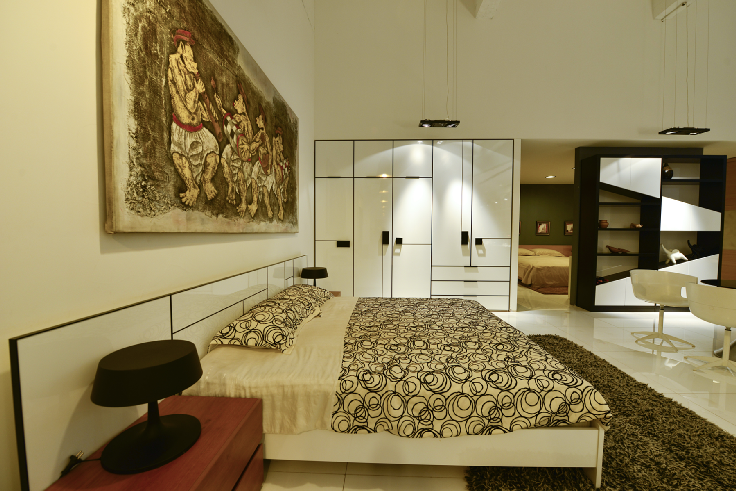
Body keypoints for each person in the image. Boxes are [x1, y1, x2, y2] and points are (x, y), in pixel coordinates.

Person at [167, 29, 220, 207]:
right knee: (179, 157)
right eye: (189, 48)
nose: (192, 53)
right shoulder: (174, 64)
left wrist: (207, 111)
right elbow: (188, 104)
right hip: (182, 128)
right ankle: (192, 187)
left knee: (213, 151)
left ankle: (206, 180)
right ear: (182, 47)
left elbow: (199, 108)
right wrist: (197, 90)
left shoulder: (189, 68)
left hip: (198, 128)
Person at [216, 84, 255, 217]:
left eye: (238, 100)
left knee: (240, 176)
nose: (235, 102)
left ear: (243, 105)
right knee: (223, 160)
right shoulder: (238, 118)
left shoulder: (246, 122)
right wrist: (220, 106)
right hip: (233, 149)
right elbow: (230, 122)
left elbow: (248, 144)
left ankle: (243, 202)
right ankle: (231, 186)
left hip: (242, 155)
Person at [247, 105, 276, 218]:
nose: (256, 120)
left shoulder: (265, 136)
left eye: (258, 118)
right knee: (253, 180)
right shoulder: (259, 134)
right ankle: (255, 204)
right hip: (260, 163)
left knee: (264, 190)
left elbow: (270, 152)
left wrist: (269, 166)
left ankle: (268, 209)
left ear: (263, 121)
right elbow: (252, 144)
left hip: (265, 165)